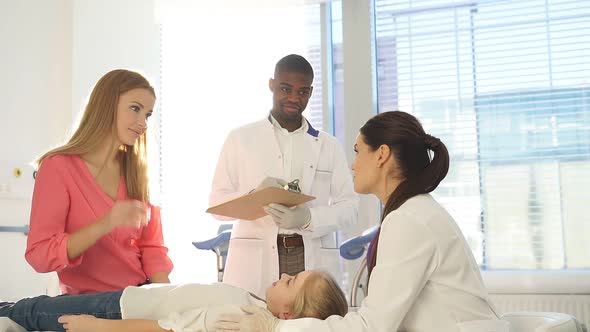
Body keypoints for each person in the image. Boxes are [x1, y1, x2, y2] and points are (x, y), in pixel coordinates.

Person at [214, 111, 507, 332]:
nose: (352, 164)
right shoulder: (413, 212)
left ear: (381, 155)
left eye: (357, 151)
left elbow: (371, 327)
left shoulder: (409, 221)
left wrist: (275, 327)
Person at [209, 54, 358, 298]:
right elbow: (216, 206)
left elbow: (350, 207)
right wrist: (255, 196)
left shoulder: (328, 145)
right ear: (271, 85)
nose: (293, 98)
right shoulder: (240, 139)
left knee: (310, 324)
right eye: (285, 89)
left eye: (302, 92)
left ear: (310, 93)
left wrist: (309, 218)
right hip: (256, 256)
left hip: (309, 253)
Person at [25, 69, 173, 295]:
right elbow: (39, 255)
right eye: (135, 109)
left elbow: (152, 248)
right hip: (88, 302)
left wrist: (166, 300)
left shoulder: (137, 173)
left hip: (136, 295)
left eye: (148, 115)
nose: (142, 123)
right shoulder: (58, 168)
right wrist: (106, 223)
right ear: (107, 105)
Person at [0, 270, 348, 332]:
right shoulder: (252, 307)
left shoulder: (238, 319)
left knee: (36, 311)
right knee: (30, 309)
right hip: (131, 298)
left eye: (292, 281)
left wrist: (98, 327)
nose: (285, 275)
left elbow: (166, 329)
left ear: (288, 312)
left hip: (120, 311)